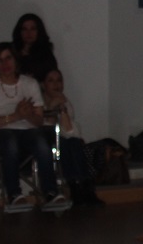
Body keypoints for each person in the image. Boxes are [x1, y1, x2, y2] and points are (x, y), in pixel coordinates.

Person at [0, 43, 68, 213]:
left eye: (8, 58)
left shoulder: (30, 83)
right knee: (10, 142)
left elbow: (39, 120)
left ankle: (51, 192)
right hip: (1, 131)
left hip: (29, 130)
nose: (5, 64)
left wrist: (27, 116)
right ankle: (14, 194)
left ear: (15, 60)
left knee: (42, 143)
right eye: (0, 60)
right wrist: (16, 116)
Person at [41, 68, 103, 206]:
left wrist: (62, 108)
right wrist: (51, 106)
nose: (56, 84)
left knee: (74, 142)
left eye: (59, 80)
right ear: (43, 85)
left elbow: (70, 131)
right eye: (51, 81)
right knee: (65, 144)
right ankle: (75, 187)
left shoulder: (65, 101)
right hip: (44, 142)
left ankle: (85, 187)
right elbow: (45, 126)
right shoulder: (38, 102)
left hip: (63, 140)